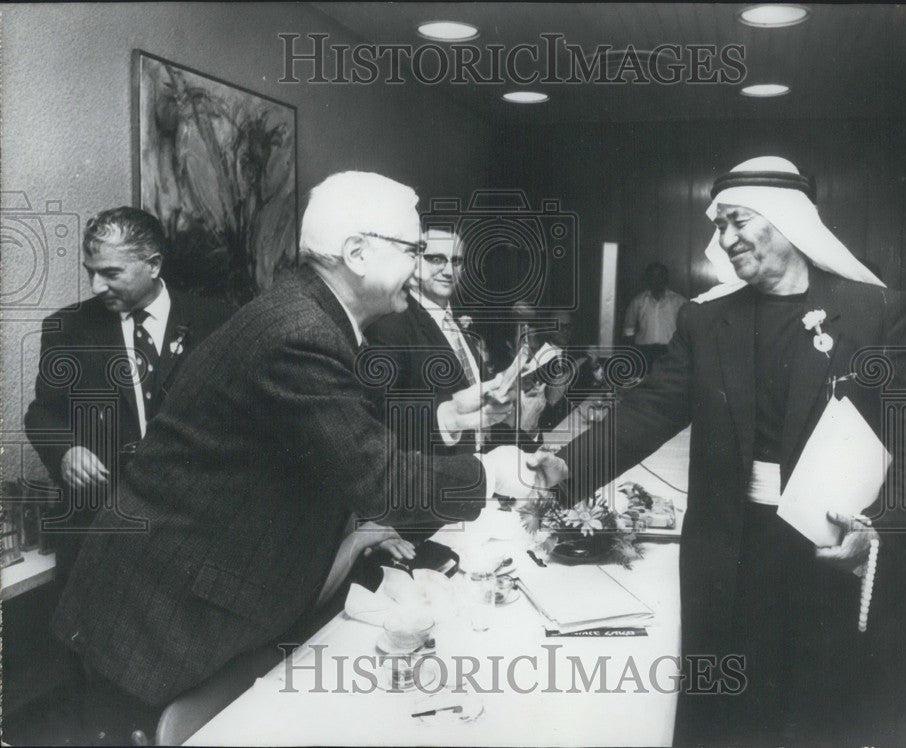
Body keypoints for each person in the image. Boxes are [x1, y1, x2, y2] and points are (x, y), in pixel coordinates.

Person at [49, 172, 558, 742]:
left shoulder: (311, 314)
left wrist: (448, 416)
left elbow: (334, 431)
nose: (421, 267)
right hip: (157, 620)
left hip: (197, 597)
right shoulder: (300, 330)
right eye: (414, 250)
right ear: (357, 253)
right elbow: (374, 477)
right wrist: (492, 472)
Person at [546, 156, 906, 746]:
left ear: (787, 220)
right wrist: (567, 466)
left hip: (831, 551)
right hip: (727, 550)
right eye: (720, 226)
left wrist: (880, 528)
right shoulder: (706, 320)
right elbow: (651, 408)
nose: (725, 239)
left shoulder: (875, 312)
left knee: (819, 714)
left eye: (738, 222)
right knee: (724, 715)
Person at [24, 206, 230, 586]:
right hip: (101, 534)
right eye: (91, 272)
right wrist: (66, 451)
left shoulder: (218, 321)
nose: (96, 287)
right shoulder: (67, 328)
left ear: (152, 265)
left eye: (110, 273)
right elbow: (41, 414)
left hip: (193, 531)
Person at [366, 227, 510, 458]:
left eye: (456, 261)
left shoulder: (457, 324)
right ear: (414, 263)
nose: (448, 270)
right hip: (436, 478)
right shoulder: (391, 325)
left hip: (482, 468)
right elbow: (377, 414)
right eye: (435, 259)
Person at [622, 261, 686, 364]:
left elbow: (687, 329)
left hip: (670, 351)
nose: (657, 279)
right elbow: (628, 329)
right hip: (644, 351)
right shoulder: (638, 301)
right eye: (653, 276)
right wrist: (632, 350)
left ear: (666, 278)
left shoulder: (679, 302)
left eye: (660, 275)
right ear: (648, 278)